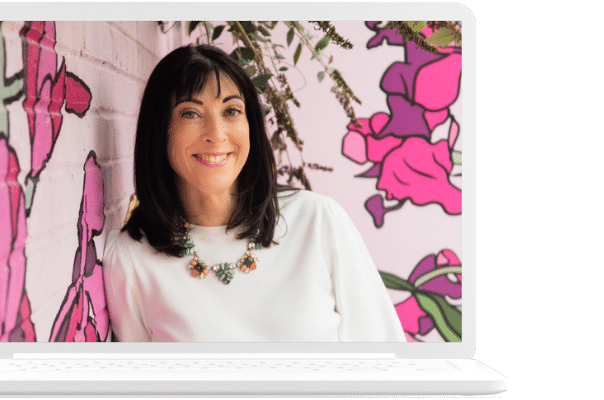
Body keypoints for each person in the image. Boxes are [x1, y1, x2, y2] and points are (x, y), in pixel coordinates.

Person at [103, 44, 405, 342]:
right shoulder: (131, 258)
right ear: (160, 130)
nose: (216, 134)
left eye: (232, 111)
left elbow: (384, 353)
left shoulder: (316, 220)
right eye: (191, 113)